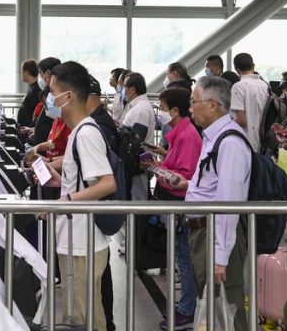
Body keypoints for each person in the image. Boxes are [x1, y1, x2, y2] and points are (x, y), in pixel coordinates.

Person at [169, 76, 251, 331]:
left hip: (216, 234)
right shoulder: (213, 138)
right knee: (213, 309)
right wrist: (189, 186)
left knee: (228, 309)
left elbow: (229, 203)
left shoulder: (231, 143)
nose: (190, 108)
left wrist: (221, 256)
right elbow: (215, 185)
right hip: (205, 232)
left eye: (194, 102)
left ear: (213, 104)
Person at [41, 61, 116, 331]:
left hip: (82, 243)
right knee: (80, 314)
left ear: (69, 96)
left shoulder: (86, 134)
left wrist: (66, 201)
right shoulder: (79, 133)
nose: (49, 98)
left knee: (86, 318)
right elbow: (85, 182)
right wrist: (62, 183)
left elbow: (107, 183)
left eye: (52, 91)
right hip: (75, 239)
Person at [142, 87, 202, 330]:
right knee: (181, 257)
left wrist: (159, 171)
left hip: (181, 206)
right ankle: (185, 305)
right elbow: (175, 167)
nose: (161, 113)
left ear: (175, 111)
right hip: (174, 205)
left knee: (185, 259)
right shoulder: (179, 135)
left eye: (163, 109)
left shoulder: (188, 136)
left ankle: (188, 310)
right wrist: (157, 165)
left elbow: (184, 178)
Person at [86, 75, 119, 331]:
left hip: (96, 214)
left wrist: (69, 199)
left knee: (100, 274)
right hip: (92, 213)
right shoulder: (92, 125)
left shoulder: (97, 128)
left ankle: (106, 323)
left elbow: (106, 181)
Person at [121, 72, 156, 200]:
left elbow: (135, 141)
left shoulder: (141, 109)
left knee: (138, 200)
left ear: (132, 89)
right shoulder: (137, 107)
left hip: (137, 165)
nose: (123, 90)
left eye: (124, 87)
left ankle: (138, 221)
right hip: (134, 165)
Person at [230, 53, 270, 152]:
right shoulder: (265, 86)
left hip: (245, 141)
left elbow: (240, 120)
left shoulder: (238, 86)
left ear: (236, 69)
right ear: (253, 66)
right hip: (263, 141)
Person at [31, 57, 61, 145]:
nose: (41, 78)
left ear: (48, 73)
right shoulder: (48, 93)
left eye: (41, 73)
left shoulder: (56, 95)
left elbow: (57, 117)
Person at [17, 59, 40, 128]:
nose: (21, 74)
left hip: (29, 131)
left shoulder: (35, 91)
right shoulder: (32, 88)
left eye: (22, 71)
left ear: (27, 72)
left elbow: (35, 114)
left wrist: (31, 128)